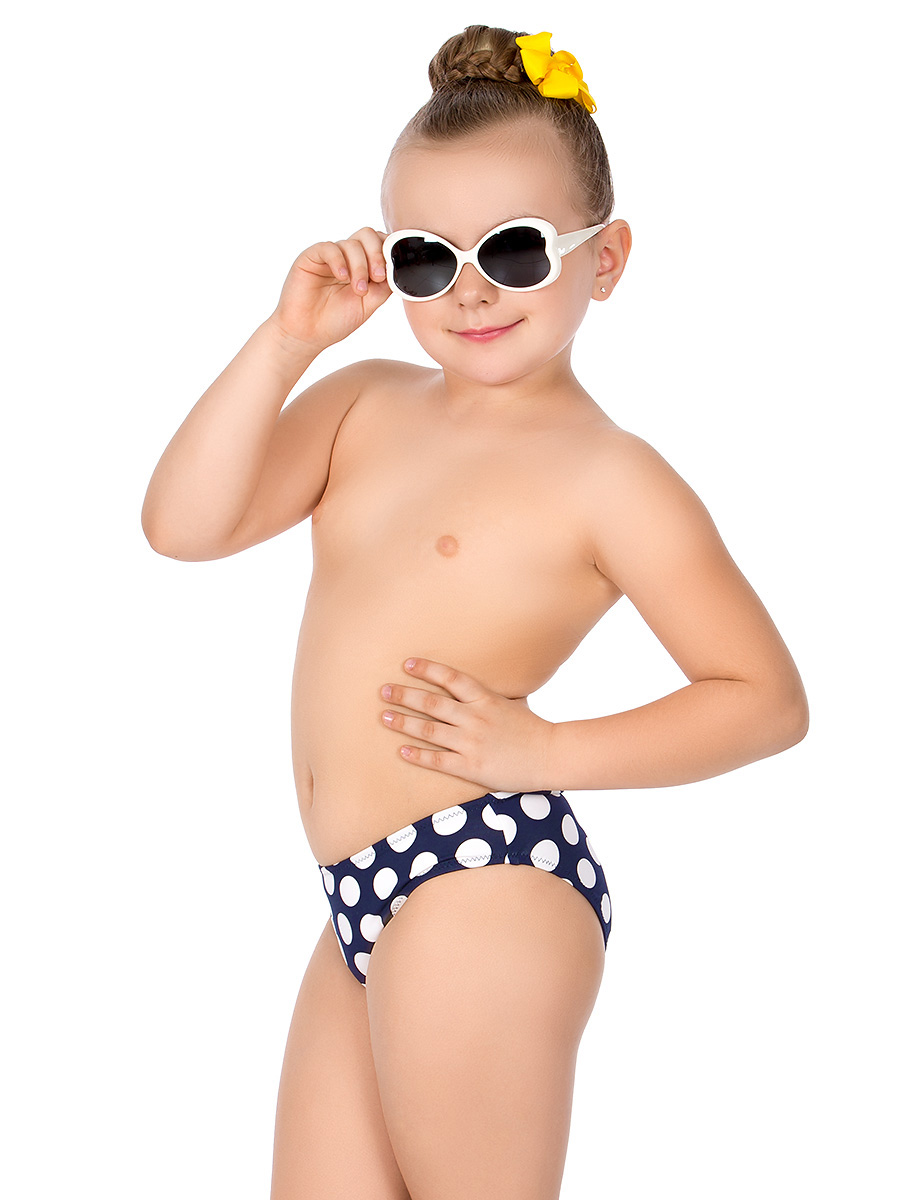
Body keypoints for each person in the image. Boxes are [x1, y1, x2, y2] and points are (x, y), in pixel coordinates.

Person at [141, 23, 809, 1200]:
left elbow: (765, 700)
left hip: (484, 877)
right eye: (425, 258)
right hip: (357, 892)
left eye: (515, 248)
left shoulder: (612, 478)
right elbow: (183, 526)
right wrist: (287, 342)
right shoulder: (361, 403)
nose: (472, 289)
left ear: (606, 259)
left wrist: (545, 752)